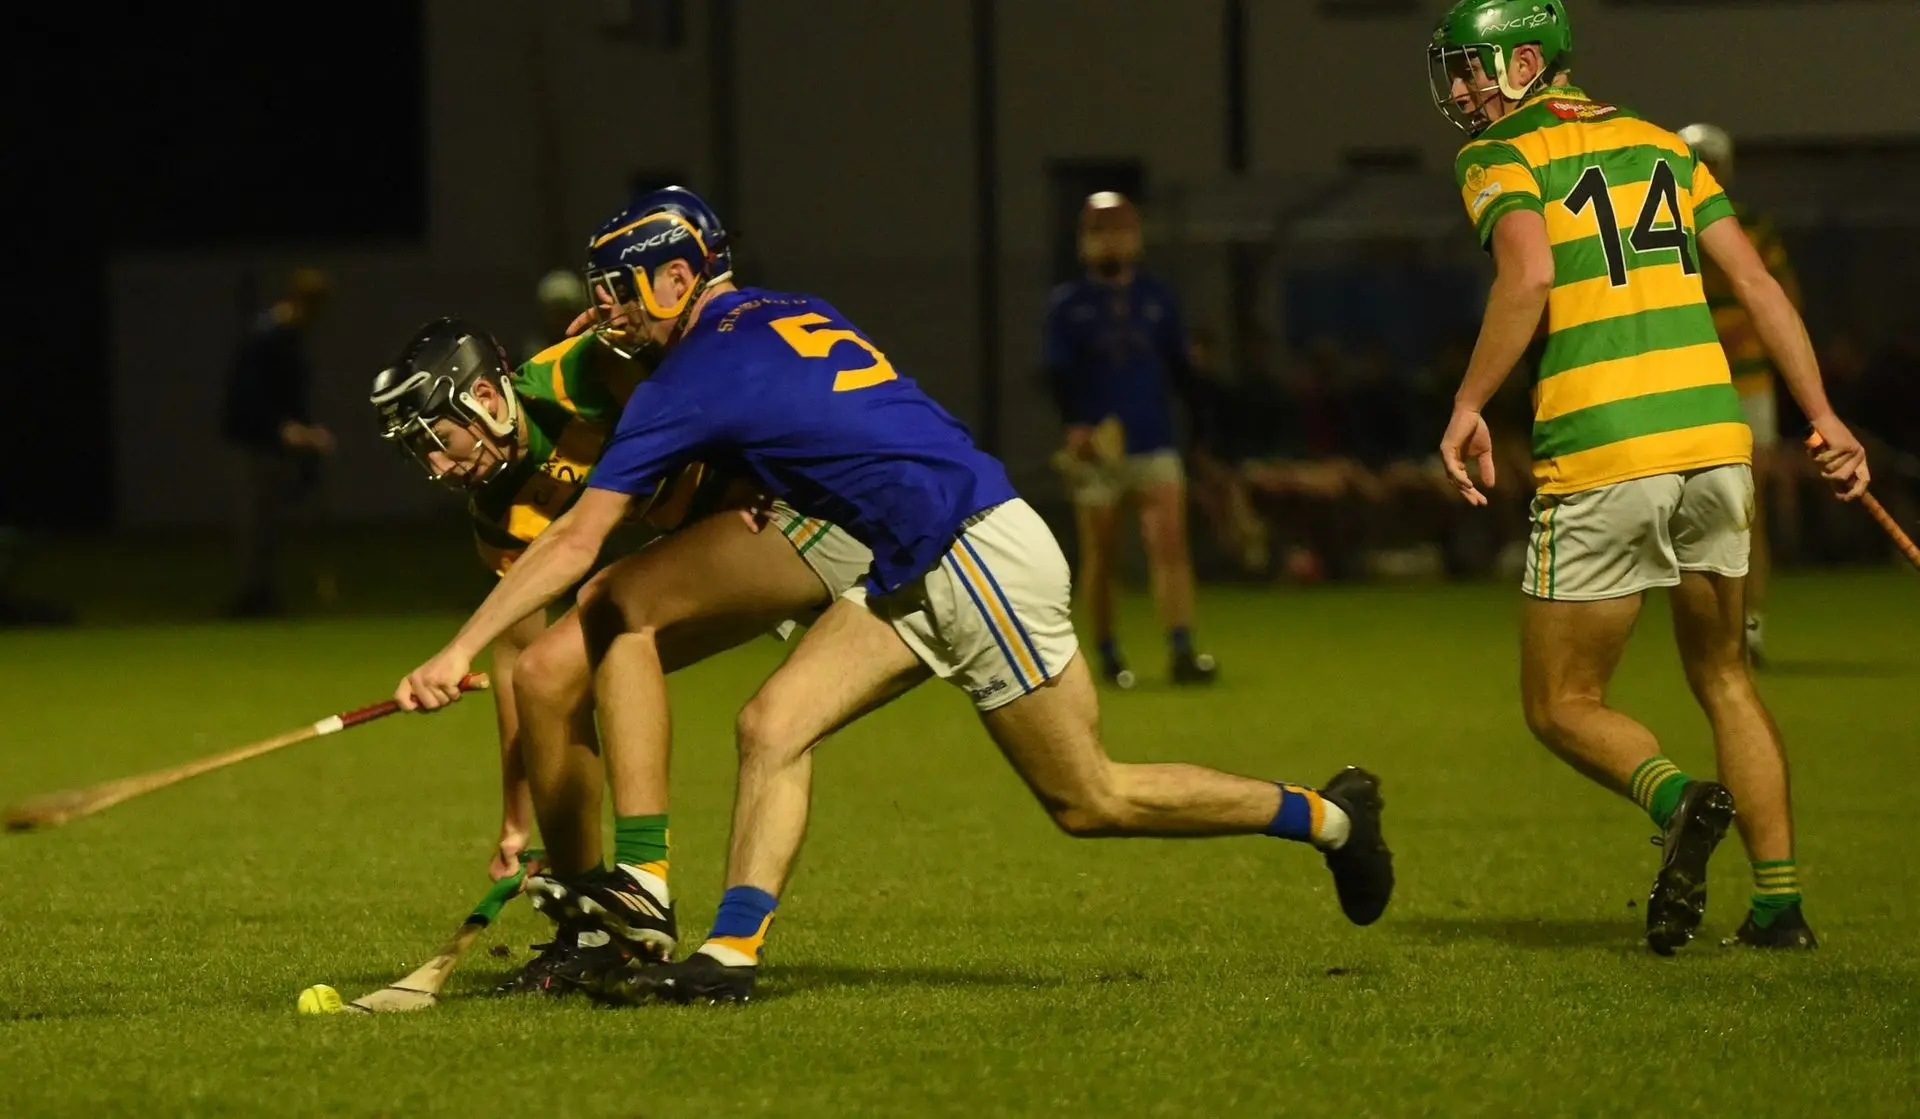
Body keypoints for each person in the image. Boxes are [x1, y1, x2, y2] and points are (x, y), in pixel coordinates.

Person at [392, 186, 1395, 1004]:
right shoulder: (773, 313)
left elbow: (578, 537)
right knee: (771, 724)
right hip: (913, 558)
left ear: (678, 275)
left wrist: (456, 650)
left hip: (968, 553)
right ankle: (729, 954)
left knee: (1091, 798)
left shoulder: (691, 376)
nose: (604, 311)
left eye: (620, 291)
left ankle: (1331, 819)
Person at [1428, 0, 1868, 952]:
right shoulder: (1663, 143)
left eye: (1472, 66)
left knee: (1562, 702)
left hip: (1604, 446)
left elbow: (1529, 277)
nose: (1459, 88)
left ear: (1527, 64)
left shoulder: (1500, 153)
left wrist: (1468, 403)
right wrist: (1823, 415)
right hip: (1712, 436)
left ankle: (1677, 800)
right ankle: (1780, 906)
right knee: (1726, 675)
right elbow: (1757, 285)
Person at [370, 285, 871, 993]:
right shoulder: (500, 509)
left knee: (612, 603)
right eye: (422, 454)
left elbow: (709, 364)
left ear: (482, 396)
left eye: (439, 442)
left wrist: (749, 446)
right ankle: (595, 931)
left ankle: (643, 881)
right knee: (547, 674)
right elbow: (515, 660)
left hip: (794, 508)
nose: (439, 468)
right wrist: (515, 818)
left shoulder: (583, 370)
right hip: (723, 541)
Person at [1044, 192, 1216, 688]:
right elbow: (1057, 374)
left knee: (1169, 545)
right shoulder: (1069, 305)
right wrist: (1076, 425)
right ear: (1084, 241)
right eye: (1099, 231)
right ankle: (1106, 655)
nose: (1111, 240)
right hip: (1098, 451)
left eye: (1119, 229)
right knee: (1102, 554)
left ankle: (1182, 650)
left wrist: (1200, 436)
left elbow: (1182, 371)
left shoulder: (1157, 299)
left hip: (1153, 439)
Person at [1677, 123, 1800, 667]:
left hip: (1746, 384)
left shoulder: (1750, 227)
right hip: (1685, 381)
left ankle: (1750, 626)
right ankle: (1713, 629)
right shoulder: (1664, 227)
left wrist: (1739, 332)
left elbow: (1783, 299)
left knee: (1747, 509)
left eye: (1710, 161)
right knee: (1692, 510)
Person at [218, 267, 335, 617]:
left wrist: (307, 430)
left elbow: (293, 396)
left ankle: (264, 593)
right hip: (257, 442)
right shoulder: (267, 335)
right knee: (257, 521)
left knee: (270, 522)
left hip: (275, 443)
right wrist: (284, 429)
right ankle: (253, 595)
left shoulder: (290, 336)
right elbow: (249, 395)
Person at [521, 269, 592, 366]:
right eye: (555, 313)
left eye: (566, 312)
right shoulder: (536, 354)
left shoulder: (591, 344)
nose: (561, 320)